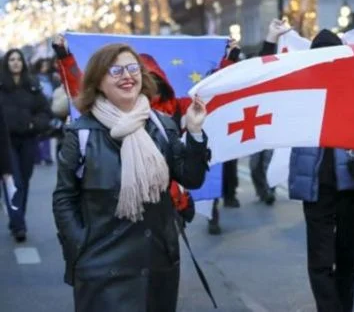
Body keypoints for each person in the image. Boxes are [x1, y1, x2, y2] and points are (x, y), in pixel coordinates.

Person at [52, 43, 211, 312]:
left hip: (157, 263)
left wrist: (195, 133)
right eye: (115, 70)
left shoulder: (162, 125)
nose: (127, 76)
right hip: (102, 266)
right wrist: (81, 247)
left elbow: (191, 178)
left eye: (132, 68)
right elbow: (64, 198)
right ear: (98, 82)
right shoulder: (81, 134)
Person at [263, 17, 354, 312]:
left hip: (352, 183)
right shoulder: (300, 89)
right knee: (320, 262)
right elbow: (263, 82)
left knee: (348, 258)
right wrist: (271, 40)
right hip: (315, 187)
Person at [0, 49, 52, 242]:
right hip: (6, 142)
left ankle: (17, 219)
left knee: (25, 182)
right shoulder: (1, 86)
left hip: (28, 140)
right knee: (15, 182)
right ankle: (19, 225)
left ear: (23, 63)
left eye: (18, 59)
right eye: (11, 59)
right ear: (7, 63)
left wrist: (34, 123)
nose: (15, 63)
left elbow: (45, 112)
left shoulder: (32, 86)